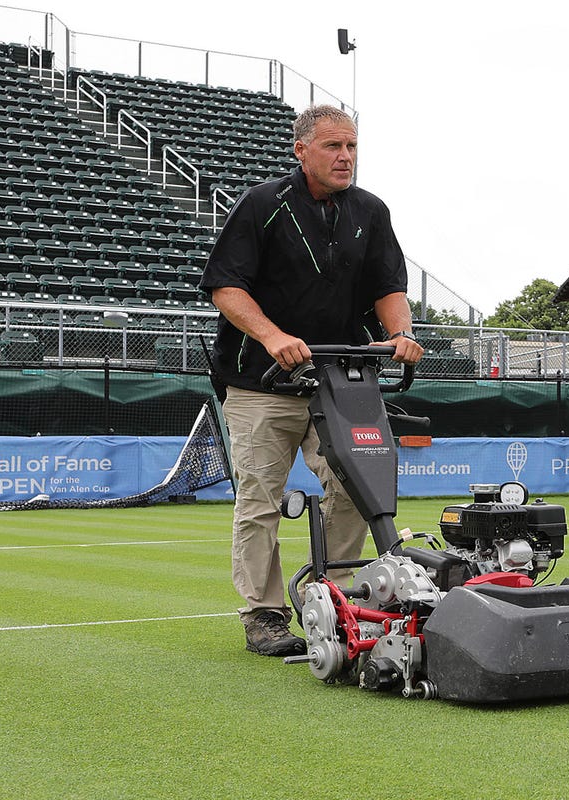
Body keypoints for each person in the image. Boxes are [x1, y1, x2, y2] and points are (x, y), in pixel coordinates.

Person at [199, 104, 425, 656]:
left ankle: (338, 597)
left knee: (358, 486)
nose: (345, 157)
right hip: (261, 382)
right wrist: (273, 336)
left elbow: (388, 285)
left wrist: (400, 333)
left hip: (339, 378)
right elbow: (226, 287)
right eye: (333, 147)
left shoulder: (370, 212)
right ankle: (265, 614)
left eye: (351, 147)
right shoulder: (262, 205)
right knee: (259, 499)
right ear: (301, 150)